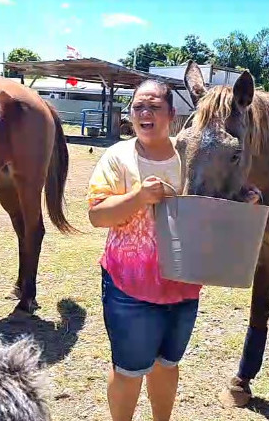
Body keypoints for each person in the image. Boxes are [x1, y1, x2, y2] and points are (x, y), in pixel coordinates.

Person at [86, 79, 199, 421]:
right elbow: (96, 215)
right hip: (129, 286)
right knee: (129, 370)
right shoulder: (118, 156)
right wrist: (137, 197)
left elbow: (213, 203)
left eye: (154, 107)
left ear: (172, 115)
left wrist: (245, 200)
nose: (145, 114)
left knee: (168, 364)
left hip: (183, 282)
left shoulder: (191, 155)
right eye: (138, 107)